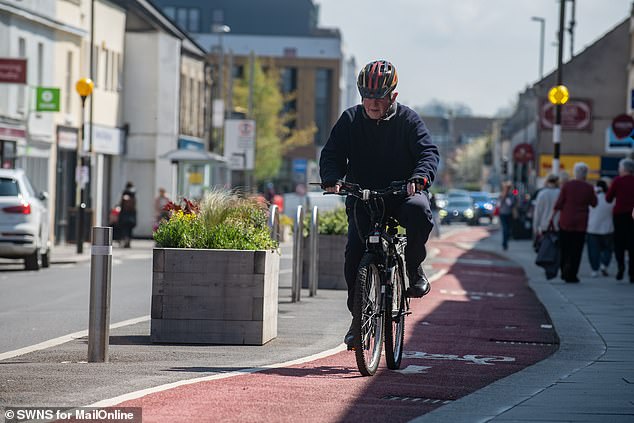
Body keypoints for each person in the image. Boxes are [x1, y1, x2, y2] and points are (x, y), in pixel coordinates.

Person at [319, 59, 439, 347]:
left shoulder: (408, 121)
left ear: (392, 96)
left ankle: (413, 268)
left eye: (379, 97)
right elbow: (332, 154)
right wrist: (332, 178)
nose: (371, 103)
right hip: (363, 196)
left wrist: (420, 177)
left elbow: (428, 152)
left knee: (420, 211)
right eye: (367, 96)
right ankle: (358, 319)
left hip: (401, 195)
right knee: (353, 257)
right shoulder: (350, 120)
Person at [553, 162, 597, 283]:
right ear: (586, 174)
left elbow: (559, 203)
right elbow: (594, 203)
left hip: (566, 220)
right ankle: (572, 274)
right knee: (577, 249)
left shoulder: (567, 186)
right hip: (581, 223)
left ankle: (563, 270)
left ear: (575, 173)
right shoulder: (589, 187)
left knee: (565, 248)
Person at [605, 158, 634, 282]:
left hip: (620, 215)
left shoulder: (617, 181)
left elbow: (608, 198)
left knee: (619, 243)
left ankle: (620, 266)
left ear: (623, 169)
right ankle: (632, 272)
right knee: (632, 243)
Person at [586, 179, 614, 278]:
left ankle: (594, 269)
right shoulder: (611, 199)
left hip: (593, 228)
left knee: (593, 250)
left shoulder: (592, 198)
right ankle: (604, 265)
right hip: (608, 228)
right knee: (608, 249)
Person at [532, 174, 560, 251]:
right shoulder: (560, 193)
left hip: (545, 226)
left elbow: (538, 213)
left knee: (545, 250)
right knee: (556, 251)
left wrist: (535, 228)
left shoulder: (542, 194)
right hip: (557, 226)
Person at [497, 181, 516, 250]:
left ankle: (506, 241)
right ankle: (504, 243)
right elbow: (498, 205)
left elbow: (510, 204)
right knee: (505, 229)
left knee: (508, 229)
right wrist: (503, 198)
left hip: (509, 214)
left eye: (508, 188)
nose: (506, 190)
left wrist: (507, 197)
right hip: (502, 214)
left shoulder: (512, 195)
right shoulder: (501, 195)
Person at [118, 181, 137, 248]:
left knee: (124, 229)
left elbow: (121, 204)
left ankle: (125, 240)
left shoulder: (124, 193)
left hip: (124, 214)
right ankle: (128, 241)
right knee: (130, 229)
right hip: (132, 214)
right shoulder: (134, 194)